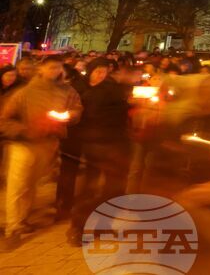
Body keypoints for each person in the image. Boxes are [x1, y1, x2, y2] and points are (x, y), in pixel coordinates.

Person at [0, 56, 82, 250]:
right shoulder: (25, 93)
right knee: (18, 186)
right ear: (42, 70)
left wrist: (70, 116)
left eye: (58, 68)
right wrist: (25, 130)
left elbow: (77, 107)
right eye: (51, 67)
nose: (56, 71)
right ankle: (13, 228)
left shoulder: (67, 91)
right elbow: (4, 120)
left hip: (48, 144)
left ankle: (23, 218)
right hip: (23, 145)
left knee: (31, 185)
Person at [66, 58, 131, 246]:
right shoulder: (80, 90)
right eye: (97, 72)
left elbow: (122, 112)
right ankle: (77, 227)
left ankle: (104, 223)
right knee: (89, 189)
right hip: (92, 145)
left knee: (113, 188)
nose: (101, 75)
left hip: (116, 144)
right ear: (90, 72)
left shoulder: (113, 90)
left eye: (104, 72)